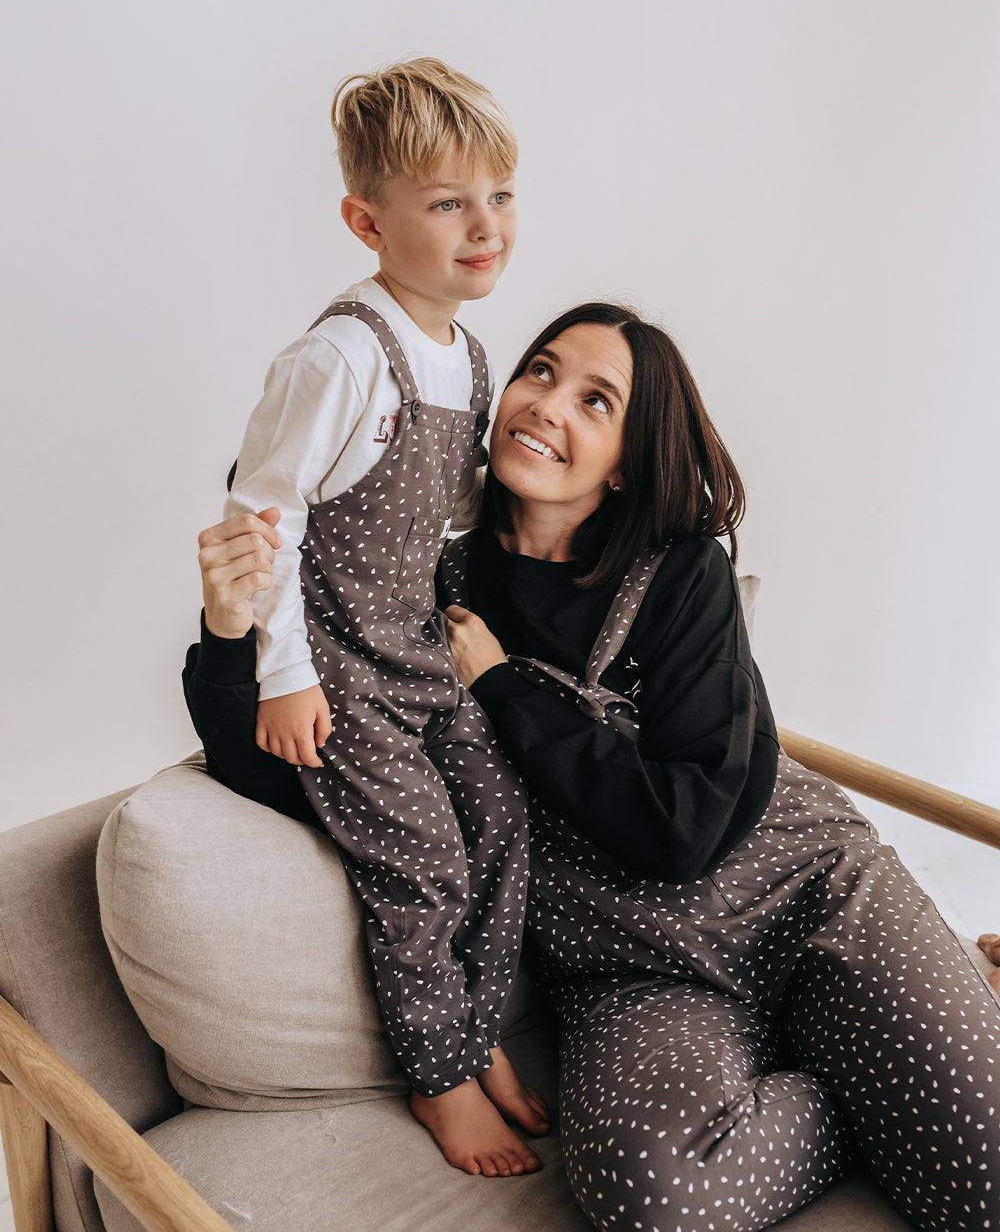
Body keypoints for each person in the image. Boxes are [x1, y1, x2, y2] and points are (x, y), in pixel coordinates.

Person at [187, 303, 1000, 1230]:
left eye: (595, 399)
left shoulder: (681, 575)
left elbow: (684, 826)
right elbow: (285, 773)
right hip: (627, 971)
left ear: (628, 461)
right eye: (538, 372)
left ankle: (912, 1031)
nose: (546, 405)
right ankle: (860, 1089)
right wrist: (227, 627)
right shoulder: (416, 589)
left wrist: (500, 688)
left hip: (807, 899)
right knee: (656, 1201)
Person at [215, 57, 548, 1177]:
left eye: (497, 195)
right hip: (340, 664)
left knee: (501, 817)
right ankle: (438, 1072)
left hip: (415, 651)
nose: (483, 226)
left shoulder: (470, 354)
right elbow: (263, 518)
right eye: (447, 202)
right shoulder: (342, 354)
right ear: (368, 220)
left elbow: (442, 526)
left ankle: (479, 1024)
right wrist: (282, 675)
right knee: (420, 858)